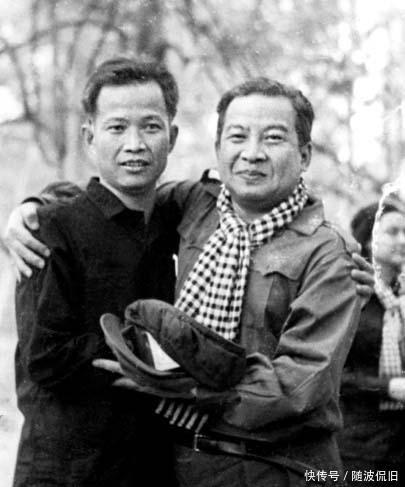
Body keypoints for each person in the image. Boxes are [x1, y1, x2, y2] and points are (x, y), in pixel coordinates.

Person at [5, 75, 374, 486]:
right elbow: (118, 194)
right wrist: (35, 207)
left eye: (273, 138)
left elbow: (302, 383)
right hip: (182, 467)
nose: (252, 154)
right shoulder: (196, 205)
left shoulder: (328, 252)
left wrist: (185, 385)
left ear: (304, 155)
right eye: (237, 136)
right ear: (218, 148)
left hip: (275, 468)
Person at [12, 57, 181, 486]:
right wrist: (150, 354)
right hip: (67, 471)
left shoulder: (175, 227)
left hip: (150, 468)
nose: (135, 144)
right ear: (90, 138)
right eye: (117, 127)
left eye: (151, 127)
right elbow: (45, 357)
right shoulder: (50, 228)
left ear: (173, 136)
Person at [338, 200, 405, 482]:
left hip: (398, 445)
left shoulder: (400, 301)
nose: (403, 240)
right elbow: (331, 374)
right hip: (356, 447)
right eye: (392, 231)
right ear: (368, 238)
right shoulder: (350, 292)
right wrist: (388, 387)